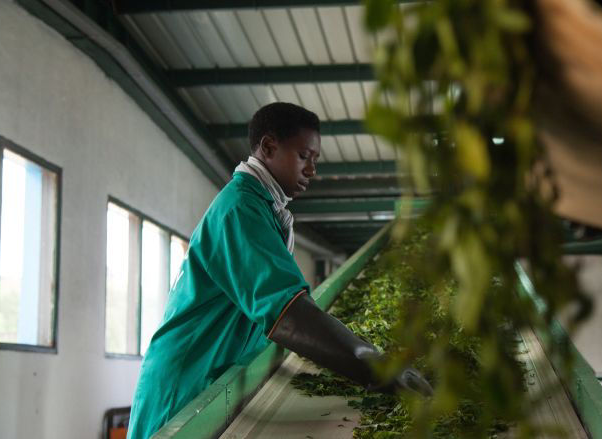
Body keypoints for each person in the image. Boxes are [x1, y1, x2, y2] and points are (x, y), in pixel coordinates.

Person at [127, 102, 432, 439]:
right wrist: (375, 366)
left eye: (315, 160)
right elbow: (288, 313)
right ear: (269, 147)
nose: (312, 170)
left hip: (211, 366)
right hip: (187, 379)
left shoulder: (263, 208)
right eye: (304, 156)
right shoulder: (240, 210)